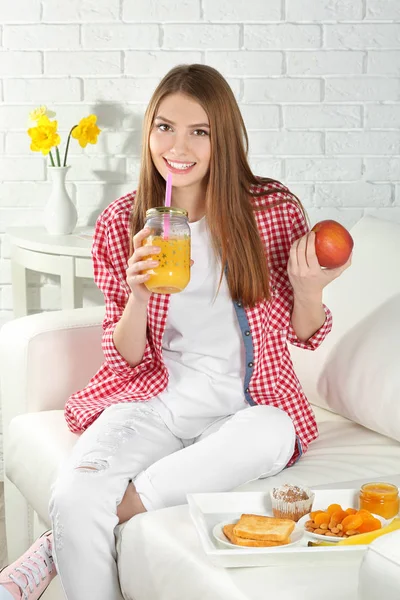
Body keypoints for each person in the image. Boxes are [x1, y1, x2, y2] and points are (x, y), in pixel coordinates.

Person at [0, 64, 351, 600]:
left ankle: (59, 542)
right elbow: (125, 360)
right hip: (153, 401)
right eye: (165, 127)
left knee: (274, 433)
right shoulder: (125, 221)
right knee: (74, 493)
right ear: (149, 132)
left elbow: (304, 335)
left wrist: (309, 289)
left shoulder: (271, 211)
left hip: (246, 406)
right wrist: (137, 296)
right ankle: (74, 526)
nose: (178, 146)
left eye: (199, 131)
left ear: (223, 138)